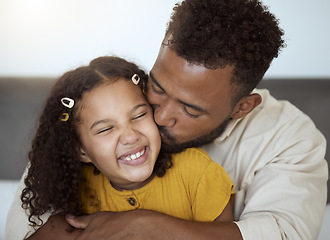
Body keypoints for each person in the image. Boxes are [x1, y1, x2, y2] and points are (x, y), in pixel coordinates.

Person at [6, 0, 328, 239]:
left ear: (242, 108)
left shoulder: (293, 140)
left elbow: (283, 232)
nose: (158, 116)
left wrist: (143, 224)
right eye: (157, 87)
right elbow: (27, 219)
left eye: (190, 109)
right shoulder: (108, 102)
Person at [9, 56, 234, 239]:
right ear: (81, 151)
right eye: (105, 129)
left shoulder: (199, 174)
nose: (129, 136)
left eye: (138, 115)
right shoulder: (77, 191)